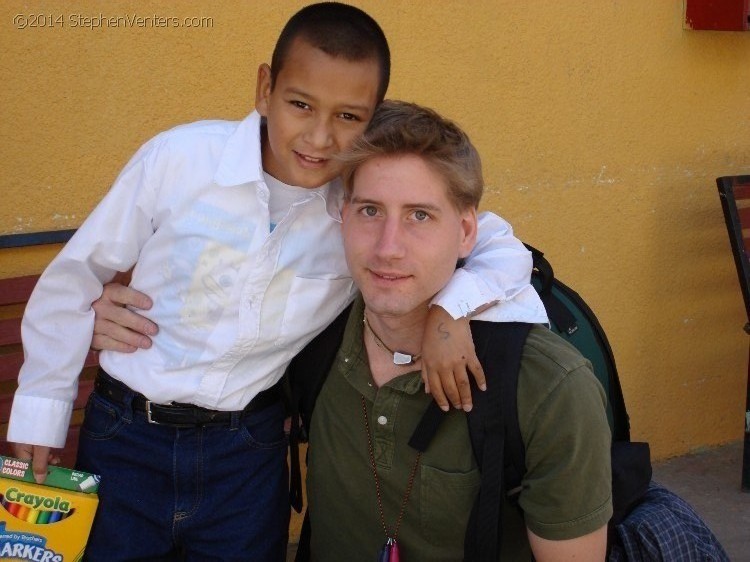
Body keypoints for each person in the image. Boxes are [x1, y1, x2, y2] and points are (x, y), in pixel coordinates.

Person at [8, 3, 547, 561]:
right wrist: (42, 409)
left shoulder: (360, 206)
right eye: (300, 104)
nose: (319, 137)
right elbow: (74, 277)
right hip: (127, 435)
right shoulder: (182, 160)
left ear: (372, 117)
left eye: (348, 117)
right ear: (266, 88)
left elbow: (503, 247)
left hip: (247, 451)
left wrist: (450, 310)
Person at [293, 100, 612, 561]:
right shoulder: (311, 337)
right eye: (369, 211)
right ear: (342, 215)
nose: (388, 248)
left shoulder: (547, 388)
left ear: (466, 232)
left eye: (419, 215)